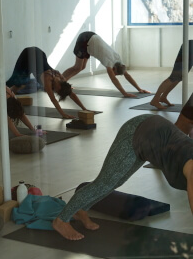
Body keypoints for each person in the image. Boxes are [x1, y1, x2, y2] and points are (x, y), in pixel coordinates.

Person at [52, 113, 193, 240]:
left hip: (152, 137)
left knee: (117, 181)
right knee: (104, 183)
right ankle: (61, 220)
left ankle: (80, 209)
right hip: (137, 132)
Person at [7, 46, 88, 119]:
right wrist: (63, 114)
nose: (55, 91)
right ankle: (0, 93)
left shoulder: (61, 79)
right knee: (16, 82)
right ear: (60, 86)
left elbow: (72, 94)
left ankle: (5, 96)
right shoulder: (47, 79)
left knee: (21, 84)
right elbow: (53, 99)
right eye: (57, 91)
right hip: (28, 55)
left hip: (38, 55)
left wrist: (84, 109)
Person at [62, 32, 151, 98]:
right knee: (77, 67)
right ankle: (59, 83)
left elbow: (127, 75)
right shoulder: (109, 63)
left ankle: (63, 82)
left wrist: (139, 89)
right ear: (114, 68)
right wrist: (125, 93)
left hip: (91, 40)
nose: (113, 73)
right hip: (85, 40)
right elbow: (114, 80)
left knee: (82, 67)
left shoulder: (118, 60)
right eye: (114, 72)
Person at [150, 41, 193, 109]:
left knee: (179, 77)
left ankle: (163, 97)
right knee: (174, 77)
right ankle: (155, 100)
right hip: (190, 47)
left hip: (190, 46)